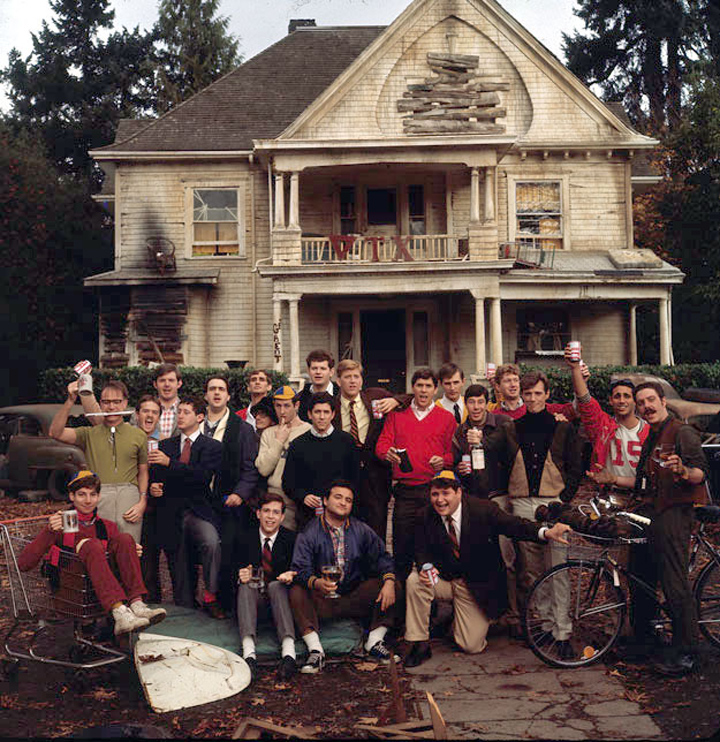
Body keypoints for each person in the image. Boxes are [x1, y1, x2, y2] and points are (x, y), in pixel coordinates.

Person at [403, 471, 572, 667]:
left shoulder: (483, 509)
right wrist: (425, 567)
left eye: (445, 493)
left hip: (475, 586)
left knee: (470, 645)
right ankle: (419, 643)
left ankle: (458, 620)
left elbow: (514, 525)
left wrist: (545, 532)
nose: (440, 500)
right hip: (445, 580)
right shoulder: (425, 515)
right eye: (435, 494)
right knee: (415, 580)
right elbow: (420, 549)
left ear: (459, 492)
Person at [491, 371, 584, 640]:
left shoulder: (562, 427)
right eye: (528, 394)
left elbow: (576, 466)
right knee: (531, 570)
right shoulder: (511, 428)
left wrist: (564, 498)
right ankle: (544, 625)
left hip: (553, 502)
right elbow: (495, 459)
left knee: (557, 567)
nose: (532, 399)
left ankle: (562, 630)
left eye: (537, 393)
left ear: (547, 394)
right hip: (522, 503)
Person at [17, 471, 166, 635]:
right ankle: (119, 612)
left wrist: (129, 550)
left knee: (125, 539)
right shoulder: (61, 524)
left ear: (99, 497)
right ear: (72, 496)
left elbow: (118, 552)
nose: (88, 500)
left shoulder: (106, 526)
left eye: (92, 494)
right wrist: (49, 531)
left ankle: (137, 603)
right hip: (72, 595)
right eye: (82, 494)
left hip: (99, 597)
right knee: (92, 545)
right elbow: (24, 564)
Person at [631, 381, 709, 676]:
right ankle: (647, 640)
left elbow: (700, 473)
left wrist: (683, 470)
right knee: (642, 574)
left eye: (651, 400)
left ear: (663, 401)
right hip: (652, 512)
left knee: (675, 583)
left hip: (675, 512)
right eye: (641, 403)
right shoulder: (652, 435)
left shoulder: (681, 432)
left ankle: (688, 653)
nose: (646, 406)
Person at [289, 480, 398, 674]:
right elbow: (299, 569)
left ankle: (374, 641)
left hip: (352, 596)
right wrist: (317, 583)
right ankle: (316, 651)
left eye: (348, 500)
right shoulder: (309, 532)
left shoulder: (361, 529)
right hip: (322, 599)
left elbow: (383, 558)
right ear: (325, 501)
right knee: (297, 591)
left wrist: (388, 581)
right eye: (338, 497)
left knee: (392, 584)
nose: (343, 503)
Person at [375, 369, 456, 580]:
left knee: (434, 548)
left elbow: (453, 453)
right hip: (405, 492)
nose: (423, 390)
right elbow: (381, 445)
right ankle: (401, 596)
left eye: (428, 386)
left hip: (434, 490)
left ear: (436, 389)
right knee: (402, 550)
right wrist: (387, 453)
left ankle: (434, 597)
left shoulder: (446, 418)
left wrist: (444, 460)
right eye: (419, 385)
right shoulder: (397, 415)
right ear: (413, 388)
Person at [148, 396, 224, 616]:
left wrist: (170, 463)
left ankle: (211, 596)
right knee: (178, 557)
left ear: (200, 417)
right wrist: (154, 487)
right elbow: (157, 475)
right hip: (170, 511)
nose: (180, 416)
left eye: (186, 412)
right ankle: (185, 606)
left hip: (198, 511)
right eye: (178, 412)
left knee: (211, 542)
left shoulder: (212, 446)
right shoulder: (166, 445)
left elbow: (202, 476)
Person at [49, 380, 148, 543]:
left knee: (130, 547)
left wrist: (142, 501)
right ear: (100, 404)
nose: (111, 407)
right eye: (106, 402)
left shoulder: (138, 435)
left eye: (117, 401)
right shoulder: (88, 434)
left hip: (129, 496)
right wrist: (70, 400)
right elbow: (55, 433)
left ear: (125, 403)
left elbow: (143, 471)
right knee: (100, 547)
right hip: (99, 495)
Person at [333, 359, 406, 539]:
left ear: (362, 380)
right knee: (347, 525)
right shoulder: (332, 406)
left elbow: (409, 398)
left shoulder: (375, 397)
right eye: (347, 377)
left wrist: (395, 400)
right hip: (346, 471)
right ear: (338, 381)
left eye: (356, 377)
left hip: (375, 472)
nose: (352, 381)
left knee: (377, 524)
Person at [564, 351, 648, 500]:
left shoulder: (649, 430)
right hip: (609, 495)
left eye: (627, 396)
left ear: (635, 401)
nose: (622, 401)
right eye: (617, 396)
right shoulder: (603, 426)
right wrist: (575, 369)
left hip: (641, 496)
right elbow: (585, 402)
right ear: (610, 401)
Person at [235, 493, 298, 682]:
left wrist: (291, 575)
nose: (270, 517)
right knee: (246, 585)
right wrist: (239, 575)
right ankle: (249, 655)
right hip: (252, 605)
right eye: (266, 511)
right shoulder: (243, 536)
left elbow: (301, 571)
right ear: (258, 514)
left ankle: (289, 654)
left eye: (276, 512)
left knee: (277, 586)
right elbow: (226, 571)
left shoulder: (292, 539)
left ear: (282, 516)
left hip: (281, 605)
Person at [282, 392, 360, 529]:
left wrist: (341, 499)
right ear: (309, 414)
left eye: (326, 412)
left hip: (340, 515)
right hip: (307, 516)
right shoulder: (297, 444)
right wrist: (303, 496)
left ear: (333, 414)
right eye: (317, 412)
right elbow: (288, 482)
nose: (322, 417)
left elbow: (355, 479)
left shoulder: (347, 442)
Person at [255, 386, 312, 531]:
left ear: (296, 405)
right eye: (278, 406)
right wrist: (279, 441)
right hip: (274, 496)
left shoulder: (308, 430)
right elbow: (263, 469)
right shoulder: (269, 433)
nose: (282, 411)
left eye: (286, 406)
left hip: (300, 498)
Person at [452, 383, 511, 499]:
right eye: (471, 402)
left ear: (487, 404)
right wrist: (459, 469)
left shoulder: (503, 423)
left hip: (502, 493)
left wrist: (482, 441)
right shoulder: (460, 432)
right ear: (465, 404)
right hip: (473, 495)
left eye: (480, 402)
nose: (476, 407)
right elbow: (454, 463)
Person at [134, 394, 163, 602]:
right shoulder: (128, 438)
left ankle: (152, 599)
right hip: (130, 501)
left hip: (154, 506)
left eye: (154, 412)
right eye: (145, 411)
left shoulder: (164, 442)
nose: (150, 415)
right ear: (137, 414)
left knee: (149, 554)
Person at [488, 363, 573, 420]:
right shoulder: (493, 417)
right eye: (507, 381)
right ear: (498, 386)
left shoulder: (539, 407)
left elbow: (573, 409)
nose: (513, 384)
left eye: (516, 380)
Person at [297, 350, 338, 422]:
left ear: (331, 372)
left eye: (323, 368)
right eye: (314, 368)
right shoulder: (299, 399)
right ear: (308, 371)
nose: (318, 372)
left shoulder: (341, 395)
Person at [153, 363, 183, 439]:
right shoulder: (143, 410)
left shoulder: (189, 410)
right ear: (155, 384)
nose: (167, 384)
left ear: (179, 384)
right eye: (162, 380)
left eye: (171, 380)